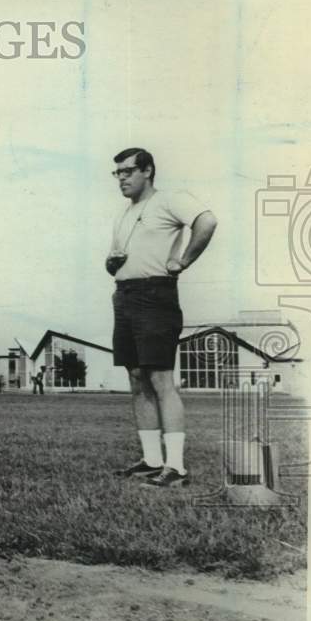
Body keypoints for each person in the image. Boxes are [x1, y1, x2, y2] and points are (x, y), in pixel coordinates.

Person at [106, 147, 217, 488]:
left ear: (148, 171)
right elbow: (114, 261)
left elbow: (207, 220)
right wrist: (113, 263)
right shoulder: (125, 214)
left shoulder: (170, 200)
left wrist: (183, 261)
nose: (122, 178)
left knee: (160, 380)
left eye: (128, 171)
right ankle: (152, 461)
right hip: (125, 296)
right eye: (118, 173)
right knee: (137, 378)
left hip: (156, 296)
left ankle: (177, 468)